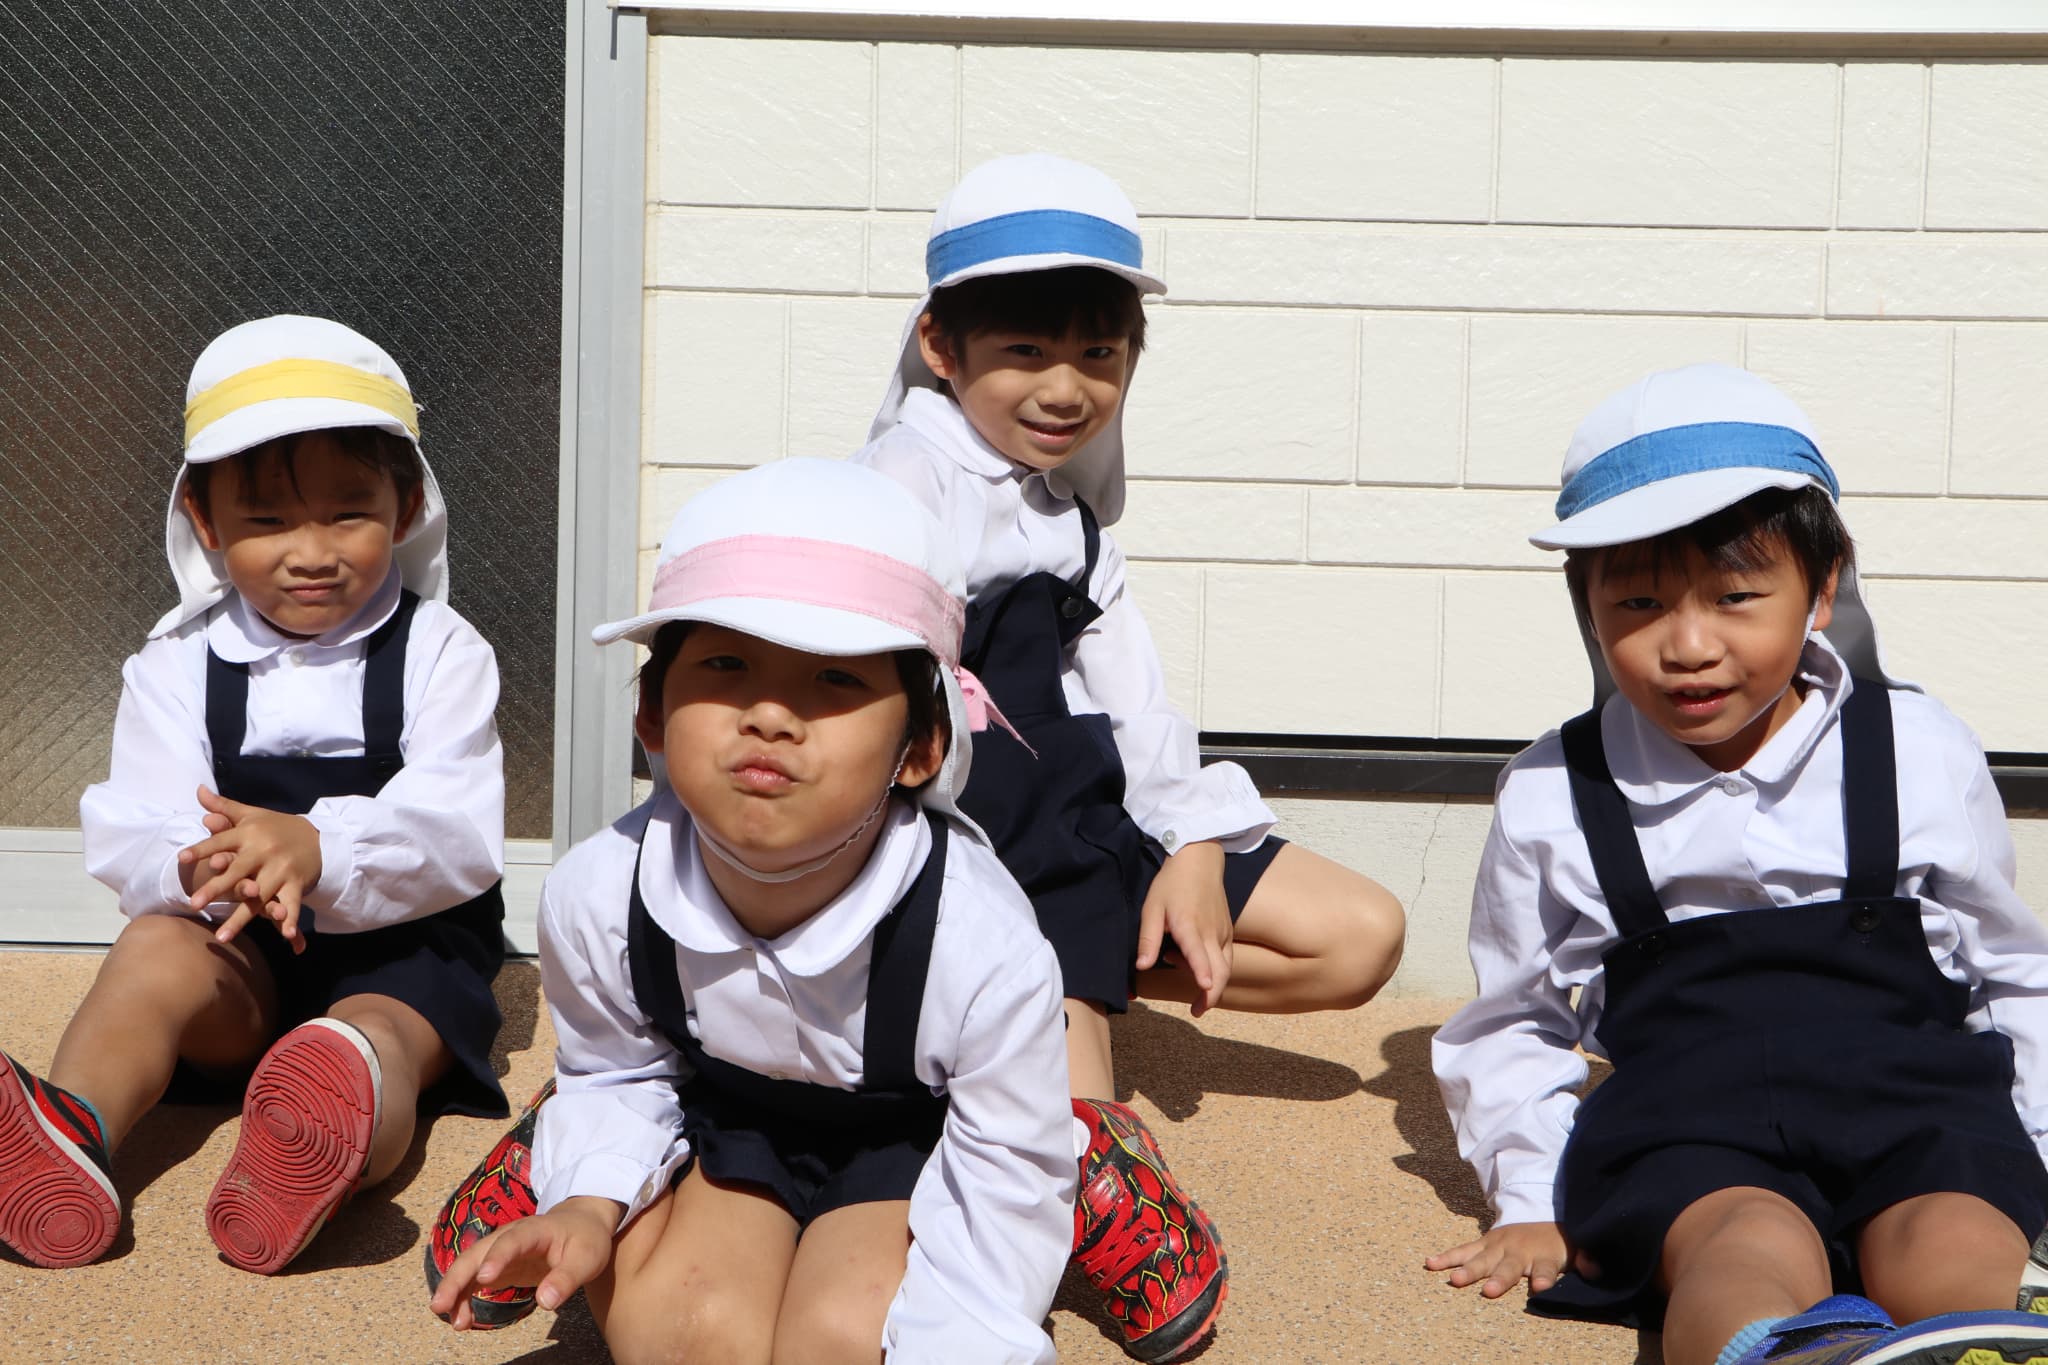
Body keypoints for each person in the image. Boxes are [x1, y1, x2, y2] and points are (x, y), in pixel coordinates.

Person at [851, 152, 1407, 1363]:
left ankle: (1069, 989)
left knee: (1358, 935)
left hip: (1084, 811)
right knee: (1066, 1127)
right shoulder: (900, 487)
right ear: (939, 345)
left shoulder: (1068, 507)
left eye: (1098, 355)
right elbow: (886, 730)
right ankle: (1030, 1042)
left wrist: (1193, 844)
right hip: (976, 841)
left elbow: (1132, 696)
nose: (1066, 388)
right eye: (1025, 352)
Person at [1429, 363, 2048, 1365]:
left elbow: (2011, 967)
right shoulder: (1554, 790)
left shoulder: (1917, 749)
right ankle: (1790, 1352)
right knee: (1738, 1248)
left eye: (1735, 597)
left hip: (1911, 1097)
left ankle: (1986, 1337)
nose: (1687, 645)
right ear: (1585, 603)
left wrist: (2038, 1141)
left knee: (1952, 1242)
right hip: (1689, 1124)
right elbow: (1514, 1017)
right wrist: (1532, 1195)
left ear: (1822, 587)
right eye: (1637, 601)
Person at [428, 459, 1074, 1364]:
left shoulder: (979, 944)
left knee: (845, 1341)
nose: (770, 713)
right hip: (722, 1109)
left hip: (916, 1135)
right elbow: (614, 1071)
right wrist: (588, 1201)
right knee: (681, 1338)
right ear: (652, 711)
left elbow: (1002, 1188)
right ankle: (565, 1155)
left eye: (836, 678)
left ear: (923, 744)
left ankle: (1091, 1150)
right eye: (727, 665)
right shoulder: (599, 896)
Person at [0, 315, 508, 1275]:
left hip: (402, 944)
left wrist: (321, 847)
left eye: (348, 514)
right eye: (269, 522)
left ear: (405, 508)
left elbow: (459, 827)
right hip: (238, 944)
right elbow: (134, 823)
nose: (311, 552)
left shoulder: (442, 651)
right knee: (152, 951)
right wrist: (201, 863)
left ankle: (320, 1140)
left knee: (376, 1040)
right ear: (206, 522)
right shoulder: (177, 661)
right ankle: (70, 1131)